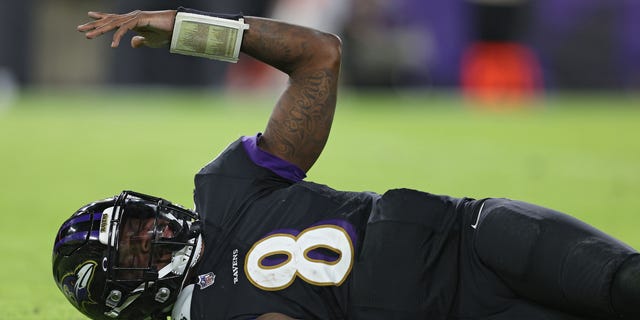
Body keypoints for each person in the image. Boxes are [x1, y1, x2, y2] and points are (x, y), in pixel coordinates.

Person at [52, 8, 639, 320]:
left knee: (626, 284)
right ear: (119, 297)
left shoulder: (228, 189)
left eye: (137, 220)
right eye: (132, 246)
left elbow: (319, 57)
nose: (154, 228)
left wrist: (189, 30)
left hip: (476, 236)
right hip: (462, 312)